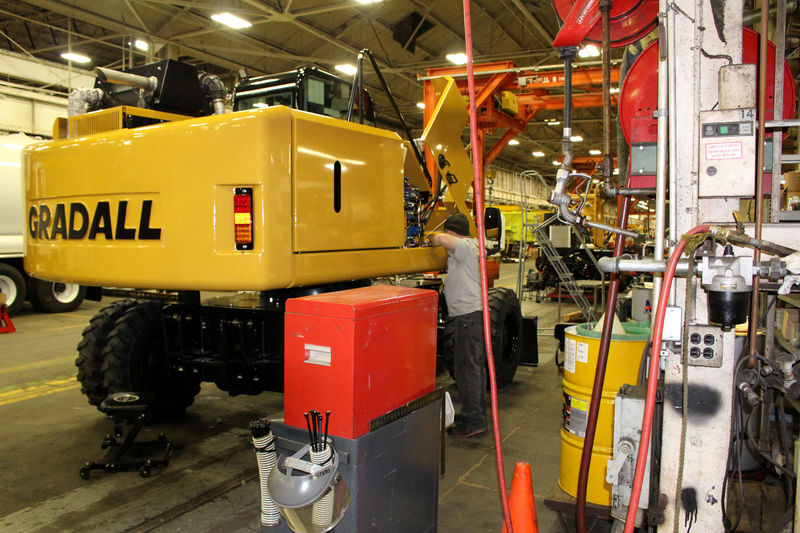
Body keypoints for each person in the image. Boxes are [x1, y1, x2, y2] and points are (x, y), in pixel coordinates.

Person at [430, 213, 487, 438]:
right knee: (474, 369)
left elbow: (441, 241)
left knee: (467, 371)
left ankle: (474, 420)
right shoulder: (472, 246)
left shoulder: (464, 246)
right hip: (470, 317)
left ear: (452, 232)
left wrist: (430, 238)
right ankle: (474, 414)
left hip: (468, 319)